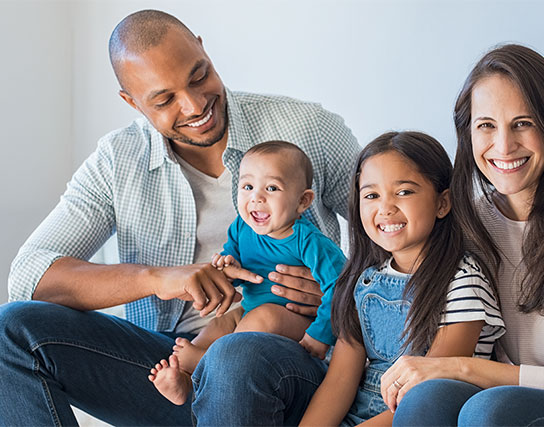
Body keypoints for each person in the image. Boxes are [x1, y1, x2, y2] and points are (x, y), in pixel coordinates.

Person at [0, 9, 359, 426]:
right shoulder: (118, 160)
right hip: (173, 368)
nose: (194, 104)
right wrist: (157, 279)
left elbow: (395, 238)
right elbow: (29, 276)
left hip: (286, 357)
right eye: (164, 99)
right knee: (13, 331)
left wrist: (341, 296)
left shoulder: (307, 129)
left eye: (198, 75)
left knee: (233, 354)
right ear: (131, 102)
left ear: (203, 50)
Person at [388, 44, 544, 426]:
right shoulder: (473, 216)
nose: (503, 146)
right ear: (467, 133)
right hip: (505, 404)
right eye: (486, 125)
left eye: (523, 123)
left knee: (490, 408)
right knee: (429, 397)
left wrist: (462, 369)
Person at [298, 131, 505, 426]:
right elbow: (339, 382)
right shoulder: (364, 282)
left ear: (442, 203)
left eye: (404, 192)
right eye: (371, 195)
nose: (385, 207)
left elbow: (427, 393)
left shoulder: (462, 281)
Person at [149, 140, 346, 406]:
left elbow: (342, 287)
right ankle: (186, 379)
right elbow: (233, 257)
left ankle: (205, 362)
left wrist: (320, 335)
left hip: (295, 322)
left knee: (263, 317)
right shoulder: (242, 227)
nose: (256, 197)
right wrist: (226, 265)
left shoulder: (309, 242)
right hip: (249, 315)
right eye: (247, 187)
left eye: (272, 188)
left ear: (303, 201)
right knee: (221, 323)